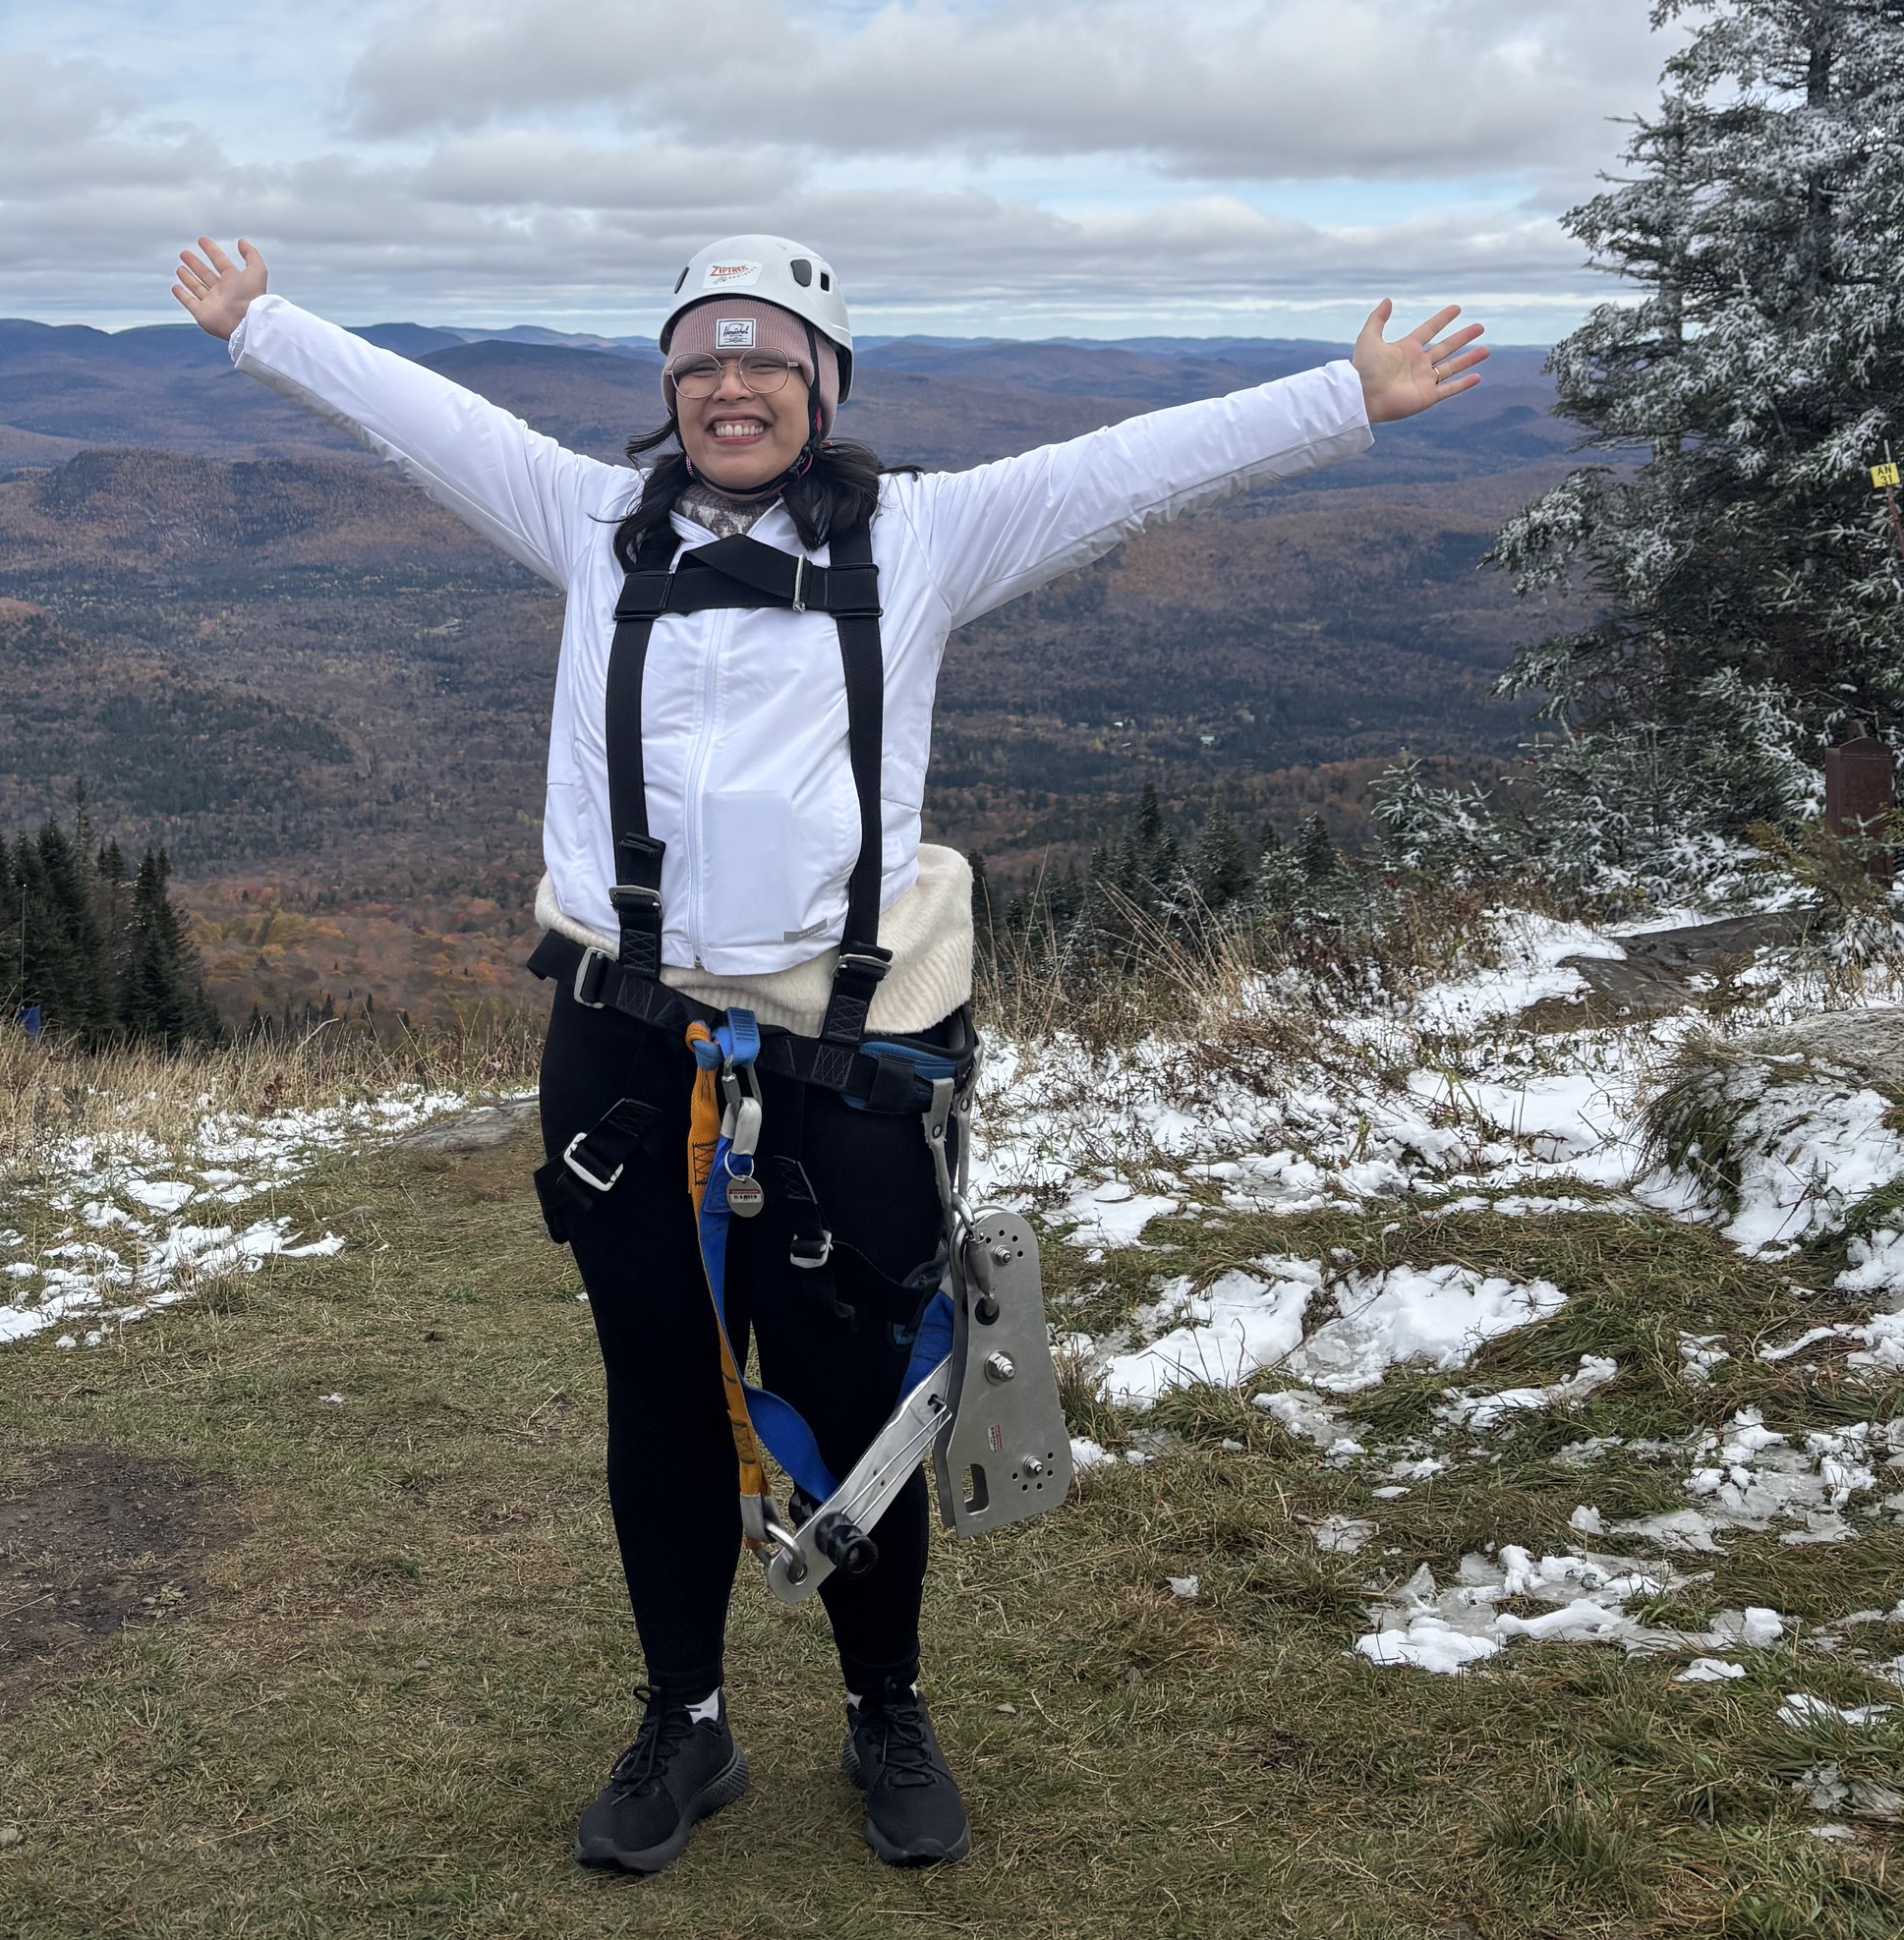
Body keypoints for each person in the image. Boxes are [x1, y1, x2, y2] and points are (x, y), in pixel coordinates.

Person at [172, 229, 1484, 1875]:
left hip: (843, 1039)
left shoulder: (923, 535)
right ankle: (686, 1723)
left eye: (770, 357)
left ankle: (885, 1702)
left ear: (825, 386)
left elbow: (1128, 469)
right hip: (622, 1027)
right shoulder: (592, 521)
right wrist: (261, 328)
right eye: (703, 358)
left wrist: (1344, 400)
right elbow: (427, 419)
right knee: (656, 1384)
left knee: (863, 1388)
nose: (733, 382)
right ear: (669, 389)